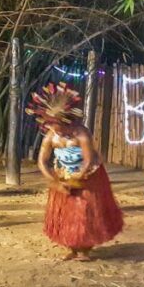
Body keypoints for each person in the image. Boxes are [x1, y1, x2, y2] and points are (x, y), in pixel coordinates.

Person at [28, 82, 123, 260]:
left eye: (58, 125)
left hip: (88, 176)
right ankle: (70, 246)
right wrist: (55, 181)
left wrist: (79, 176)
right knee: (65, 212)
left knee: (84, 211)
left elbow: (87, 160)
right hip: (63, 174)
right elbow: (42, 161)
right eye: (51, 125)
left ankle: (85, 248)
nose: (55, 129)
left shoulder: (81, 133)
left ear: (68, 121)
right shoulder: (51, 136)